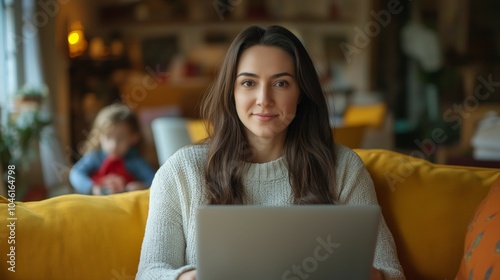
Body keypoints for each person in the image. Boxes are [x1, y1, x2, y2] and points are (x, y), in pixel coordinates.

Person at [137, 25, 405, 280]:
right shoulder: (181, 172)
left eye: (281, 84)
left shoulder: (343, 168)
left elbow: (391, 272)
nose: (264, 99)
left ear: (301, 92)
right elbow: (149, 273)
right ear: (231, 92)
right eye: (248, 83)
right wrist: (188, 277)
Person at [69, 103, 155, 195]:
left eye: (121, 138)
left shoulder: (135, 161)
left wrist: (142, 186)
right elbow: (76, 173)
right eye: (108, 137)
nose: (113, 145)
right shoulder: (95, 156)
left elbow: (155, 180)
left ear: (133, 138)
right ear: (99, 136)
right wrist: (92, 188)